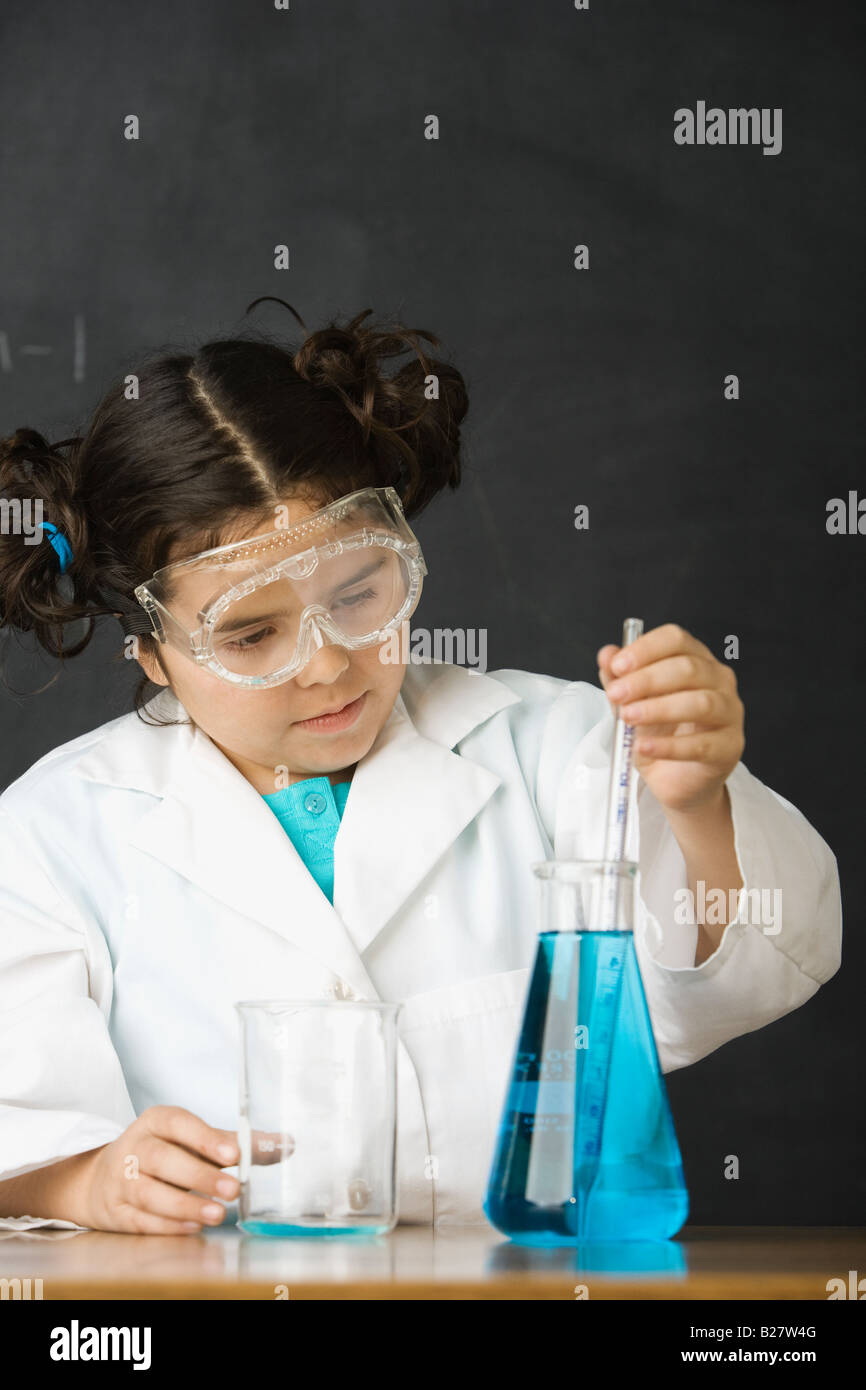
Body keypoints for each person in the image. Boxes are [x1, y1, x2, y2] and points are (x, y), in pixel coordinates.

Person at [0, 303, 842, 1234]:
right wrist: (86, 1183)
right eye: (248, 633)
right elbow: (17, 1141)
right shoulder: (53, 833)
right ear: (152, 649)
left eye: (358, 594)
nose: (326, 663)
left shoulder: (556, 747)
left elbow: (749, 976)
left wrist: (699, 806)